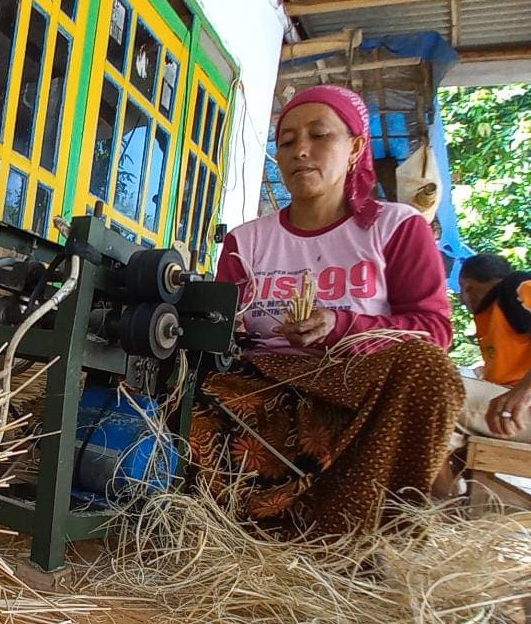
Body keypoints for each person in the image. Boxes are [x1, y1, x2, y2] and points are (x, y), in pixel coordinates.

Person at [188, 84, 463, 541]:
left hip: (357, 379)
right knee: (177, 395)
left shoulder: (396, 227)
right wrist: (223, 325)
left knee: (429, 371)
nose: (301, 151)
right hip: (266, 380)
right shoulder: (247, 240)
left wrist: (343, 326)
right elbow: (218, 326)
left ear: (355, 147)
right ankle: (244, 528)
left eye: (320, 136)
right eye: (288, 140)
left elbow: (432, 329)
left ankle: (368, 540)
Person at [457, 254, 531, 443]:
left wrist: (523, 390)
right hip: (512, 408)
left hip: (522, 407)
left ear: (467, 286)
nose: (461, 299)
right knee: (439, 429)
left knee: (432, 389)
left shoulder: (518, 287)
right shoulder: (492, 312)